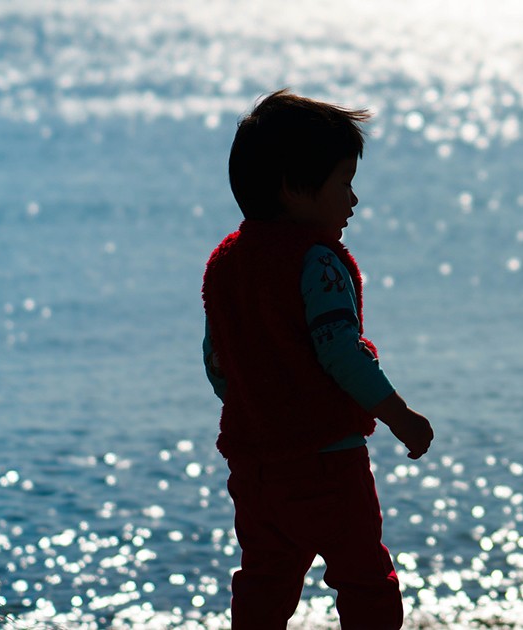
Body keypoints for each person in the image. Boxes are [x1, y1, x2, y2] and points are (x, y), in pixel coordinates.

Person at [202, 89, 433, 629]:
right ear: (294, 189)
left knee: (264, 581)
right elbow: (341, 353)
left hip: (255, 466)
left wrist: (259, 408)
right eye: (344, 184)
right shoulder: (318, 262)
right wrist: (401, 417)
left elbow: (218, 363)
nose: (352, 201)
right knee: (364, 580)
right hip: (329, 463)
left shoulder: (226, 264)